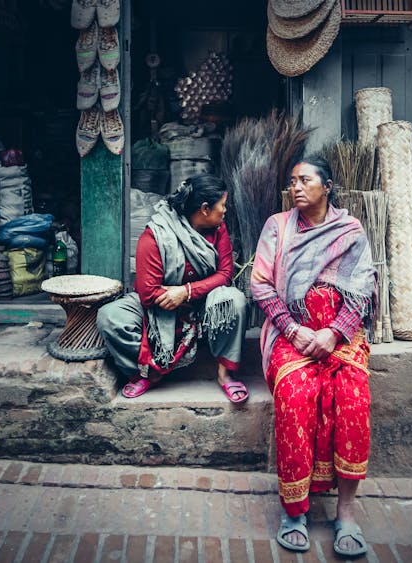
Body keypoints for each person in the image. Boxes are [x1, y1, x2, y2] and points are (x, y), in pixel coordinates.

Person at [250, 156, 377, 557]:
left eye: (305, 180)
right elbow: (261, 285)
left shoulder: (350, 229)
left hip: (340, 335)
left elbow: (363, 288)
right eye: (292, 182)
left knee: (353, 400)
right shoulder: (278, 227)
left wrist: (334, 332)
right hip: (293, 333)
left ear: (327, 185)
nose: (296, 187)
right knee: (296, 395)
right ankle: (294, 512)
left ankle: (346, 512)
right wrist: (294, 330)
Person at [97, 173, 249, 403]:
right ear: (205, 209)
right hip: (160, 308)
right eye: (223, 206)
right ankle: (146, 373)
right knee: (110, 316)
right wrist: (175, 298)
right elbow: (148, 295)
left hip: (202, 304)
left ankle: (225, 373)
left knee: (233, 300)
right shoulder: (155, 235)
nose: (225, 211)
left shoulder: (218, 230)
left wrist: (186, 291)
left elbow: (225, 275)